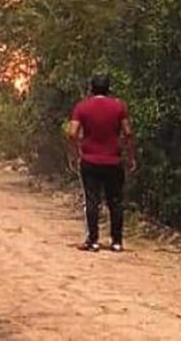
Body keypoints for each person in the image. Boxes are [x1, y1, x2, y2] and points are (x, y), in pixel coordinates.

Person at [67, 73, 136, 252]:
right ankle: (117, 241)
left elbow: (72, 132)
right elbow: (128, 132)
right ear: (109, 88)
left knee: (92, 200)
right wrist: (130, 156)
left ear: (91, 88)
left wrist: (75, 154)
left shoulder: (82, 107)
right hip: (113, 161)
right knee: (115, 201)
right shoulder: (119, 106)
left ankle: (93, 240)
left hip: (90, 160)